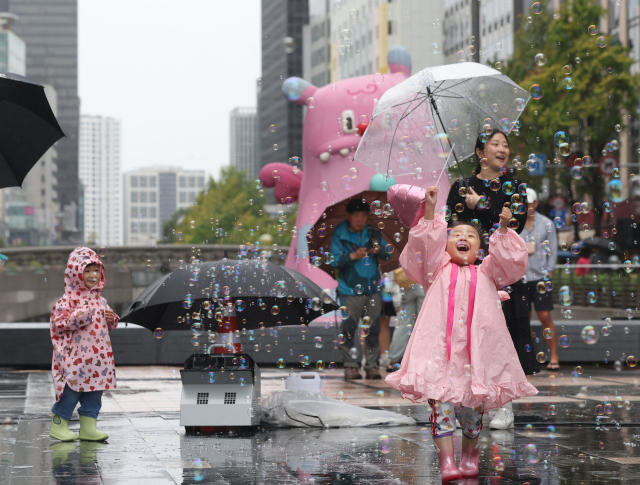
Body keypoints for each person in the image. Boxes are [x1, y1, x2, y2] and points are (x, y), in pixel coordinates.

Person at [385, 186, 538, 482]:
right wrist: (430, 210)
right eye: (456, 235)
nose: (463, 238)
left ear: (481, 247)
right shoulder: (436, 268)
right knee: (442, 410)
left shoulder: (488, 272)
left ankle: (470, 455)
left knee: (471, 413)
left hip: (475, 357)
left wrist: (503, 229)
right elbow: (424, 246)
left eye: (471, 235)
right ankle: (446, 461)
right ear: (445, 244)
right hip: (441, 356)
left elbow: (510, 262)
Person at [446, 129, 538, 431]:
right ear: (479, 152)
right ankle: (465, 401)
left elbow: (518, 223)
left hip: (501, 272)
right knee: (465, 337)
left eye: (505, 144)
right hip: (469, 273)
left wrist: (481, 205)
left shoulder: (514, 186)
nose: (502, 149)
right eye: (495, 144)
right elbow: (452, 228)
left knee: (501, 337)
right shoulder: (461, 186)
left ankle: (504, 404)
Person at [49, 247, 119, 442]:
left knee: (95, 392)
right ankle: (59, 423)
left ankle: (89, 426)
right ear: (75, 273)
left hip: (98, 360)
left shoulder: (100, 300)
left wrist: (112, 318)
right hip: (76, 357)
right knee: (72, 390)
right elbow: (59, 323)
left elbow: (111, 323)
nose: (92, 275)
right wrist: (79, 317)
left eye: (96, 270)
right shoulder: (68, 300)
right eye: (86, 271)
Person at [330, 199, 392, 380]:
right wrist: (352, 256)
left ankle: (372, 366)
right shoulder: (339, 233)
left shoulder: (373, 232)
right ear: (349, 216)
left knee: (373, 330)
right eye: (356, 216)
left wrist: (378, 249)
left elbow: (387, 254)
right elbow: (333, 260)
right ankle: (350, 366)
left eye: (363, 216)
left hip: (373, 288)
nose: (360, 219)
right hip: (349, 290)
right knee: (348, 329)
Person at [521, 188, 560, 370]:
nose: (527, 206)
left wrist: (550, 272)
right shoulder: (516, 224)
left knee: (545, 316)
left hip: (540, 278)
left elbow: (552, 249)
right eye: (524, 203)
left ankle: (554, 355)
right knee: (525, 319)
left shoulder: (547, 223)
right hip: (520, 277)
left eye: (530, 203)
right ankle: (530, 358)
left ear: (535, 203)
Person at [387, 267, 424, 372]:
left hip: (407, 282)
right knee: (425, 323)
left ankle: (393, 359)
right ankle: (422, 360)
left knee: (404, 324)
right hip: (424, 282)